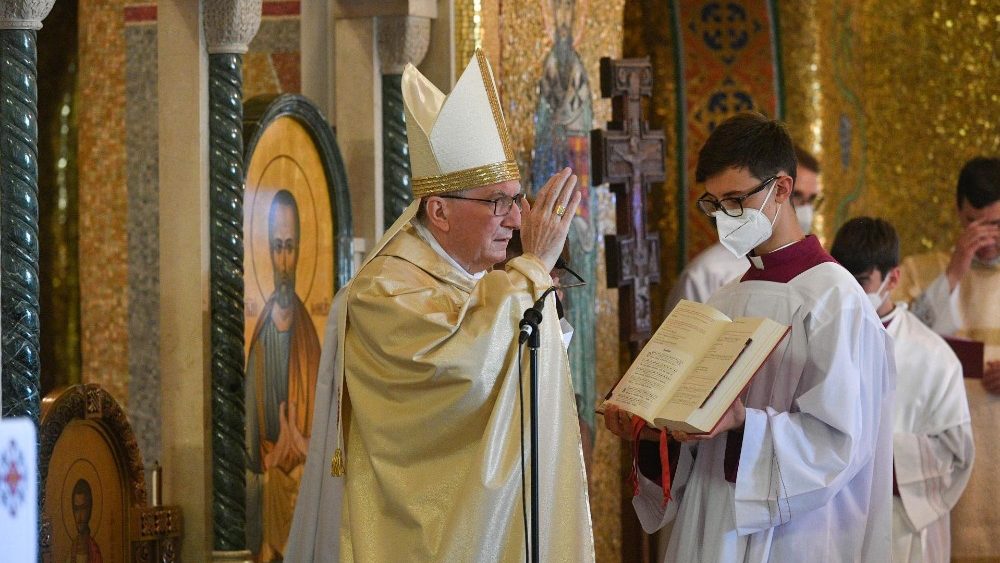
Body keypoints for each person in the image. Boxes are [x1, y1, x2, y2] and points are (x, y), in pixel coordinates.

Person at [286, 49, 594, 562]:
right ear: (439, 211)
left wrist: (535, 287)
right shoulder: (383, 294)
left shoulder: (484, 284)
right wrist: (532, 272)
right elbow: (463, 376)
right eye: (498, 202)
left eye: (517, 200)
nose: (516, 220)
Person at [604, 112, 894, 562]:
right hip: (709, 517)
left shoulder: (836, 300)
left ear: (781, 189)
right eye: (715, 204)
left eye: (736, 200)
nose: (724, 217)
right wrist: (650, 427)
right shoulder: (724, 298)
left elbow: (842, 443)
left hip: (793, 534)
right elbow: (691, 427)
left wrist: (744, 423)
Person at [831, 216, 974, 562]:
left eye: (861, 282)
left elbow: (956, 456)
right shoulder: (820, 336)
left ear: (893, 278)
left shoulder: (933, 356)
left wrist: (865, 455)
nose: (849, 291)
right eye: (841, 279)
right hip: (828, 521)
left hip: (899, 525)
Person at [894, 156, 1000, 558]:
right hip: (946, 451)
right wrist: (955, 271)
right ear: (959, 212)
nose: (988, 239)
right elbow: (895, 345)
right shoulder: (921, 271)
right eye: (976, 224)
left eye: (998, 225)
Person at [245, 189, 322, 561]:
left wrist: (303, 443)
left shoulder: (309, 334)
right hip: (269, 467)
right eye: (277, 247)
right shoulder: (260, 335)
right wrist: (268, 454)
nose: (284, 259)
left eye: (290, 246)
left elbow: (326, 417)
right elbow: (247, 421)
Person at [663, 144, 821, 312]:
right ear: (780, 189)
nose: (805, 209)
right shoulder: (706, 274)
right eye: (797, 195)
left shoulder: (821, 273)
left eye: (811, 200)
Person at [68, 479, 103, 563]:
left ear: (89, 510)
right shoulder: (72, 550)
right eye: (76, 509)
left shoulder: (94, 551)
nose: (79, 517)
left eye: (83, 509)